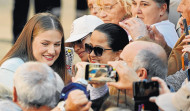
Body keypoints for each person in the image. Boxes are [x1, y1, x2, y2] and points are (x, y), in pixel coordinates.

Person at [0, 13, 65, 91]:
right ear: (30, 41)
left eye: (57, 44)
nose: (51, 51)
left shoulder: (59, 69)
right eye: (45, 44)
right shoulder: (12, 68)